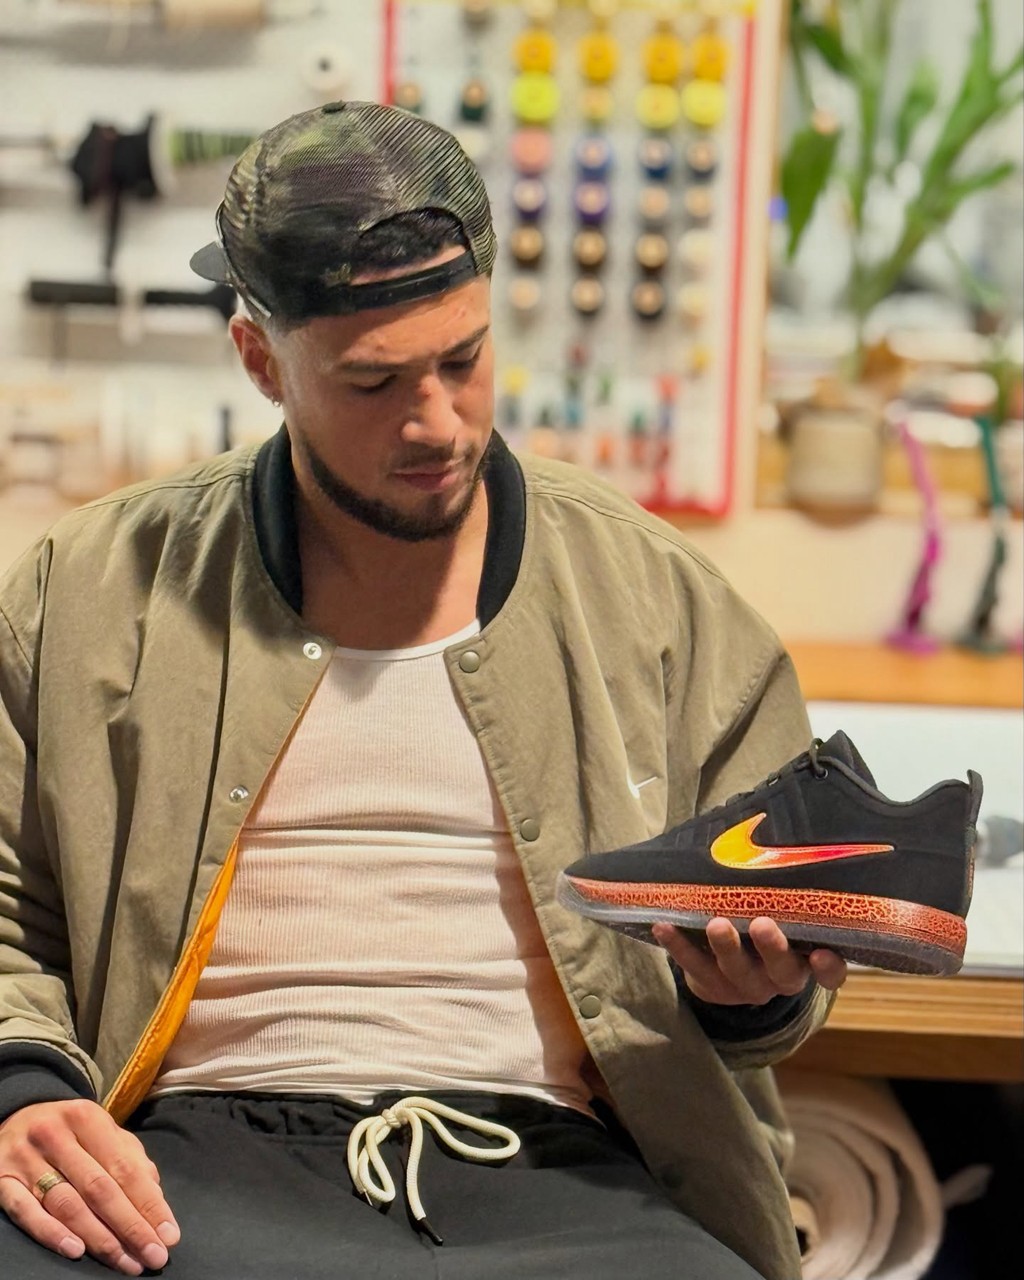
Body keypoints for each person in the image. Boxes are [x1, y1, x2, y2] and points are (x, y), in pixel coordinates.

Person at [0, 101, 846, 1280]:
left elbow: (778, 952)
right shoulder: (92, 589)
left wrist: (749, 991)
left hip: (564, 1170)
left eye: (463, 360)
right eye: (373, 381)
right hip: (187, 1163)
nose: (436, 422)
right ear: (260, 359)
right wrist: (22, 1085)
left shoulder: (659, 603)